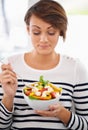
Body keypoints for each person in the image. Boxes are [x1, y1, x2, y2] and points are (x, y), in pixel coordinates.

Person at [0, 0, 88, 129]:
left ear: (61, 32)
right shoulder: (10, 65)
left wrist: (64, 115)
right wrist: (8, 97)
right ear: (28, 30)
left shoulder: (75, 68)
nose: (43, 39)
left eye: (51, 32)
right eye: (36, 32)